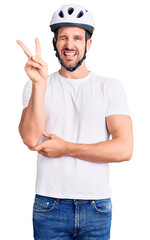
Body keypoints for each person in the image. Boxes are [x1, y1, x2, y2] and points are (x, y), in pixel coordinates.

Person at [17, 4, 133, 240]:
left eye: (77, 38)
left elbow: (124, 149)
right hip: (49, 205)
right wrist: (40, 85)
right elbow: (30, 138)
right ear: (55, 42)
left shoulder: (109, 87)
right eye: (64, 38)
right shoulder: (35, 84)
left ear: (88, 44)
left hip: (96, 206)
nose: (70, 45)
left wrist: (67, 148)